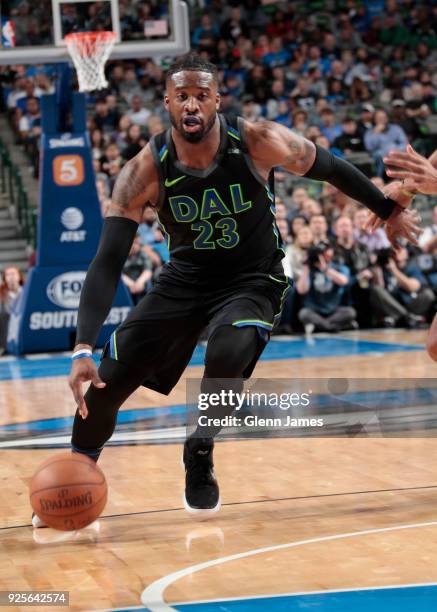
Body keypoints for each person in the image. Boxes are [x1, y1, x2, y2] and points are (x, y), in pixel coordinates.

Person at [32, 54, 420, 528]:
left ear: (217, 99)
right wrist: (82, 346)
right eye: (182, 97)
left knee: (228, 347)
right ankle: (77, 473)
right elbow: (108, 261)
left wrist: (387, 208)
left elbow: (332, 168)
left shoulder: (258, 140)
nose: (191, 105)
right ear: (167, 103)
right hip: (184, 281)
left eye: (200, 95)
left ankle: (200, 447)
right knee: (104, 380)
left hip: (252, 279)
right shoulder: (143, 170)